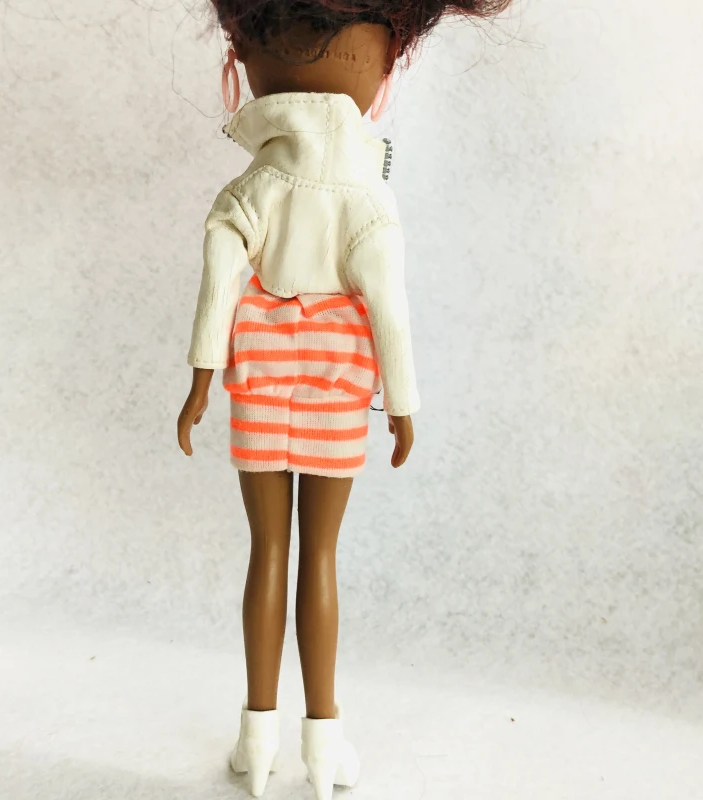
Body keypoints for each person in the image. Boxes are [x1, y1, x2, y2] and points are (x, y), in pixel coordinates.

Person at [176, 2, 511, 797]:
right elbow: (388, 305)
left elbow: (220, 275)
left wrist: (200, 379)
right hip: (337, 381)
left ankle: (257, 738)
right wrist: (401, 404)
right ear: (388, 55)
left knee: (267, 551)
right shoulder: (368, 195)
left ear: (244, 54)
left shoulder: (252, 186)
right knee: (320, 556)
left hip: (260, 374)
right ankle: (322, 742)